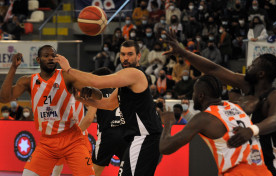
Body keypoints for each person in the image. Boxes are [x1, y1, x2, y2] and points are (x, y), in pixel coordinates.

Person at [163, 29, 276, 175]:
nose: (249, 67)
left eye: (253, 65)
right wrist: (183, 52)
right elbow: (213, 69)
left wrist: (252, 130)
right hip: (245, 165)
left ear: (261, 74)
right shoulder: (247, 85)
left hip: (269, 165)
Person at [54, 40, 163, 176]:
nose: (126, 58)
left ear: (139, 56)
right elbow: (109, 104)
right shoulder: (125, 80)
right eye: (123, 54)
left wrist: (69, 70)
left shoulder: (134, 74)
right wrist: (80, 99)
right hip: (139, 137)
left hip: (146, 137)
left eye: (130, 54)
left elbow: (97, 81)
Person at [0, 46, 95, 175]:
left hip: (73, 139)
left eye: (53, 55)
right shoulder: (28, 81)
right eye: (46, 56)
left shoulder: (67, 76)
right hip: (48, 142)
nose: (50, 58)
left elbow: (95, 95)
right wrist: (13, 68)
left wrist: (92, 91)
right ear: (38, 60)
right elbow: (4, 98)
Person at [159, 75, 272, 176]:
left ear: (200, 95)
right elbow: (256, 100)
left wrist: (168, 122)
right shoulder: (237, 106)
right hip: (262, 171)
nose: (192, 96)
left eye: (194, 92)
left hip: (237, 172)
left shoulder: (204, 118)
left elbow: (165, 147)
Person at [81, 67, 128, 176]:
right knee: (128, 171)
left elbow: (89, 118)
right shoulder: (119, 90)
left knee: (93, 173)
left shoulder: (97, 91)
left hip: (108, 135)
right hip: (126, 134)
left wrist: (72, 134)